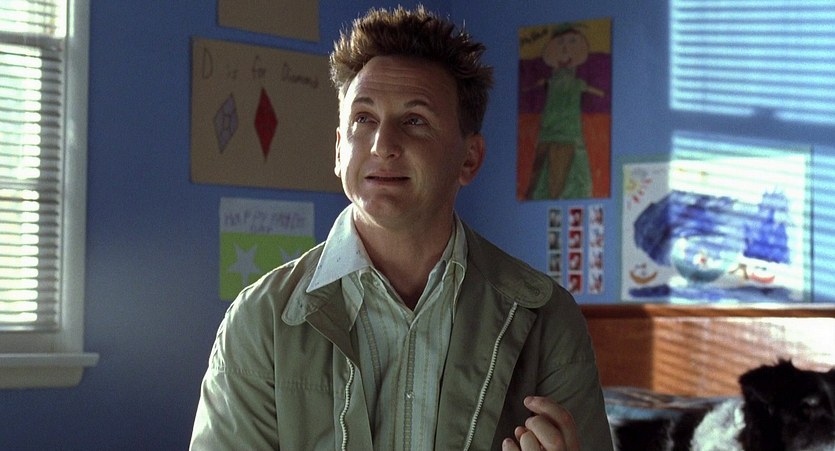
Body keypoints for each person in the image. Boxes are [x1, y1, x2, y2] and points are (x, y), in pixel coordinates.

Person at [190, 6, 613, 450]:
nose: (383, 144)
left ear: (469, 159)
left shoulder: (545, 318)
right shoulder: (262, 321)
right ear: (339, 150)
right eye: (363, 118)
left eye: (415, 120)